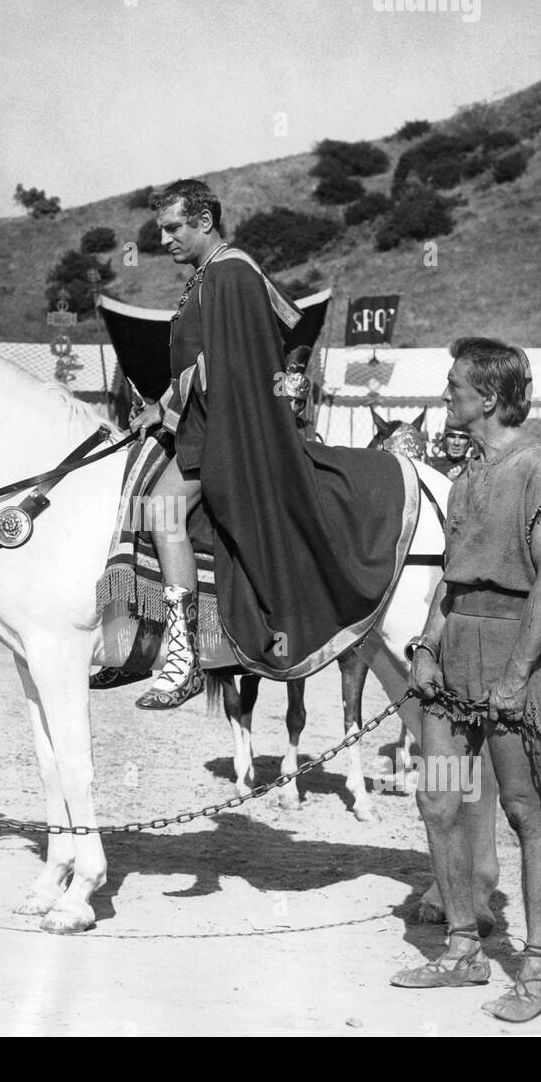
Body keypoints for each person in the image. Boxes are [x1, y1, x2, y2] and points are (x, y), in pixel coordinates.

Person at [125, 179, 407, 707]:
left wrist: (170, 413)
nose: (164, 240)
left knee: (162, 509)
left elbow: (229, 371)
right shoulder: (211, 275)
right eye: (161, 229)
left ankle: (183, 656)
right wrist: (160, 408)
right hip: (206, 423)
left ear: (204, 221)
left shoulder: (229, 275)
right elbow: (202, 365)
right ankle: (140, 643)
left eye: (173, 228)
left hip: (224, 433)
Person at [396, 337, 541, 1023]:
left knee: (524, 810)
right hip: (454, 659)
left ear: (489, 398)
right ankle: (463, 947)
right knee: (439, 800)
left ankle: (537, 971)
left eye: (453, 387)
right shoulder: (468, 478)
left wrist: (517, 675)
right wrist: (424, 646)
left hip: (511, 654)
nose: (446, 397)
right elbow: (450, 580)